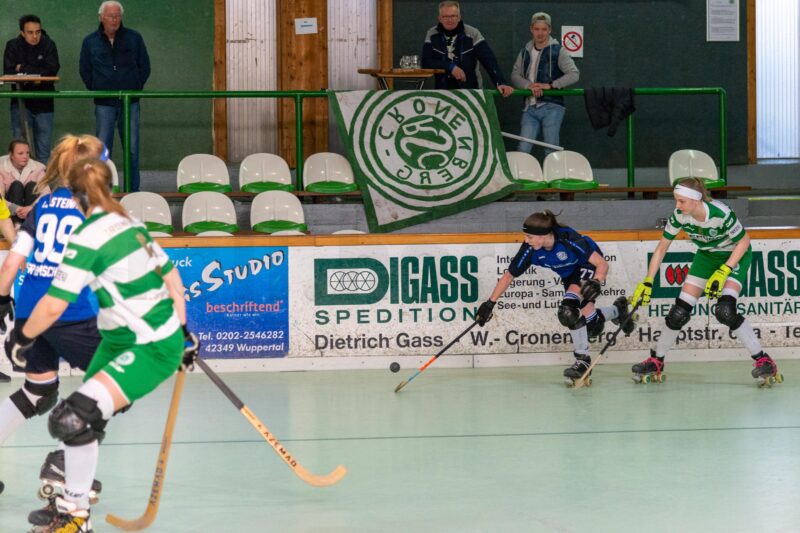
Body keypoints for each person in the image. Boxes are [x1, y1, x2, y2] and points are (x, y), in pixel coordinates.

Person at [5, 157, 198, 532]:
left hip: (147, 344)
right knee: (77, 418)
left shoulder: (89, 236)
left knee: (75, 416)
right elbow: (172, 277)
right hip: (118, 337)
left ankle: (73, 506)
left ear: (78, 197)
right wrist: (184, 330)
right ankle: (72, 505)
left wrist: (22, 337)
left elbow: (54, 304)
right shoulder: (129, 222)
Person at [0, 135, 105, 502]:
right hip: (68, 312)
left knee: (38, 392)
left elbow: (12, 262)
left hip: (31, 312)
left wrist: (2, 300)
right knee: (113, 386)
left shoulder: (43, 205)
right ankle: (64, 462)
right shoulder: (93, 208)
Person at [631, 178, 781, 387]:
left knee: (725, 311)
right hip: (706, 257)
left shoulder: (720, 213)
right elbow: (661, 249)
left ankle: (764, 361)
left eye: (681, 201)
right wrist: (648, 281)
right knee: (678, 313)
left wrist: (725, 270)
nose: (677, 205)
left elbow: (744, 241)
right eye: (676, 200)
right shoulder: (680, 216)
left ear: (696, 199)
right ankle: (656, 360)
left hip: (735, 255)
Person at [475, 210, 635, 386]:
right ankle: (618, 310)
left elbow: (602, 264)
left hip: (587, 266)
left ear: (542, 236)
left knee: (568, 311)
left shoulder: (567, 238)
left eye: (529, 236)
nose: (526, 240)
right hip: (569, 275)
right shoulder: (529, 249)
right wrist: (490, 303)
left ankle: (582, 361)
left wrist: (597, 280)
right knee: (592, 325)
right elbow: (508, 276)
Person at [79, 1, 150, 192]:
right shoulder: (90, 41)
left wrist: (135, 87)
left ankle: (133, 191)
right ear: (101, 17)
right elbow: (84, 69)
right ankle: (102, 190)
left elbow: (144, 66)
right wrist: (96, 88)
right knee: (102, 150)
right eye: (110, 16)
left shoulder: (134, 38)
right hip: (104, 103)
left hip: (130, 102)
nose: (114, 19)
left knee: (132, 149)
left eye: (117, 15)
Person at [510, 12, 579, 157]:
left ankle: (553, 173)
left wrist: (551, 85)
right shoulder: (525, 51)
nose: (540, 33)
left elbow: (574, 74)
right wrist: (528, 85)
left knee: (551, 149)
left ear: (550, 30)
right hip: (529, 107)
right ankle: (522, 173)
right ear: (531, 29)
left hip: (552, 106)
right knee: (523, 148)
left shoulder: (558, 50)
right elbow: (515, 76)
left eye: (544, 29)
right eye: (536, 29)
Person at [422, 1, 513, 96]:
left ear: (459, 17)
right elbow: (426, 62)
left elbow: (489, 60)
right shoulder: (432, 34)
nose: (449, 20)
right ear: (439, 18)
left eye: (453, 16)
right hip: (443, 92)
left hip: (472, 91)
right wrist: (450, 67)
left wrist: (500, 82)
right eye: (445, 16)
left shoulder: (473, 33)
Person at [3, 14, 60, 165]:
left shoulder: (49, 45)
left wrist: (22, 68)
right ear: (22, 33)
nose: (35, 36)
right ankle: (20, 180)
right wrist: (37, 71)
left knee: (43, 151)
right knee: (20, 151)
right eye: (30, 32)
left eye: (38, 32)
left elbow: (52, 70)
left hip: (44, 103)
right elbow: (9, 71)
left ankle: (43, 180)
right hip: (20, 103)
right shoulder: (12, 46)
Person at [0, 138, 46, 220]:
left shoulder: (38, 168)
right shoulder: (1, 168)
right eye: (20, 153)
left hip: (31, 211)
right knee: (16, 185)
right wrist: (16, 208)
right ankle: (16, 224)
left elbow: (46, 193)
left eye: (27, 153)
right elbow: (0, 198)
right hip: (11, 212)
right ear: (11, 155)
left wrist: (31, 208)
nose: (25, 156)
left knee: (32, 185)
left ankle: (31, 223)